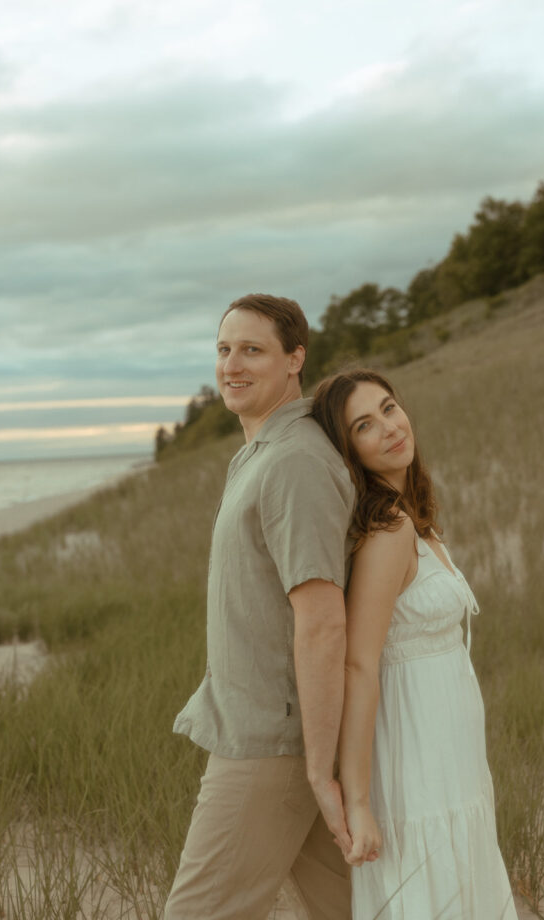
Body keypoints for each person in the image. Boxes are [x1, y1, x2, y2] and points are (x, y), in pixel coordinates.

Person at [164, 295, 356, 920]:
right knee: (360, 907)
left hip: (268, 746)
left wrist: (320, 769)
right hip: (268, 734)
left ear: (296, 358)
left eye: (252, 349)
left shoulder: (294, 462)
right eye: (224, 350)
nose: (232, 364)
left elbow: (324, 620)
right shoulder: (262, 454)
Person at [312, 369, 518, 920]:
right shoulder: (388, 529)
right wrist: (358, 799)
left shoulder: (413, 517)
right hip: (415, 754)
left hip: (450, 753)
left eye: (388, 407)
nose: (388, 427)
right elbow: (359, 663)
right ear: (348, 449)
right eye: (363, 424)